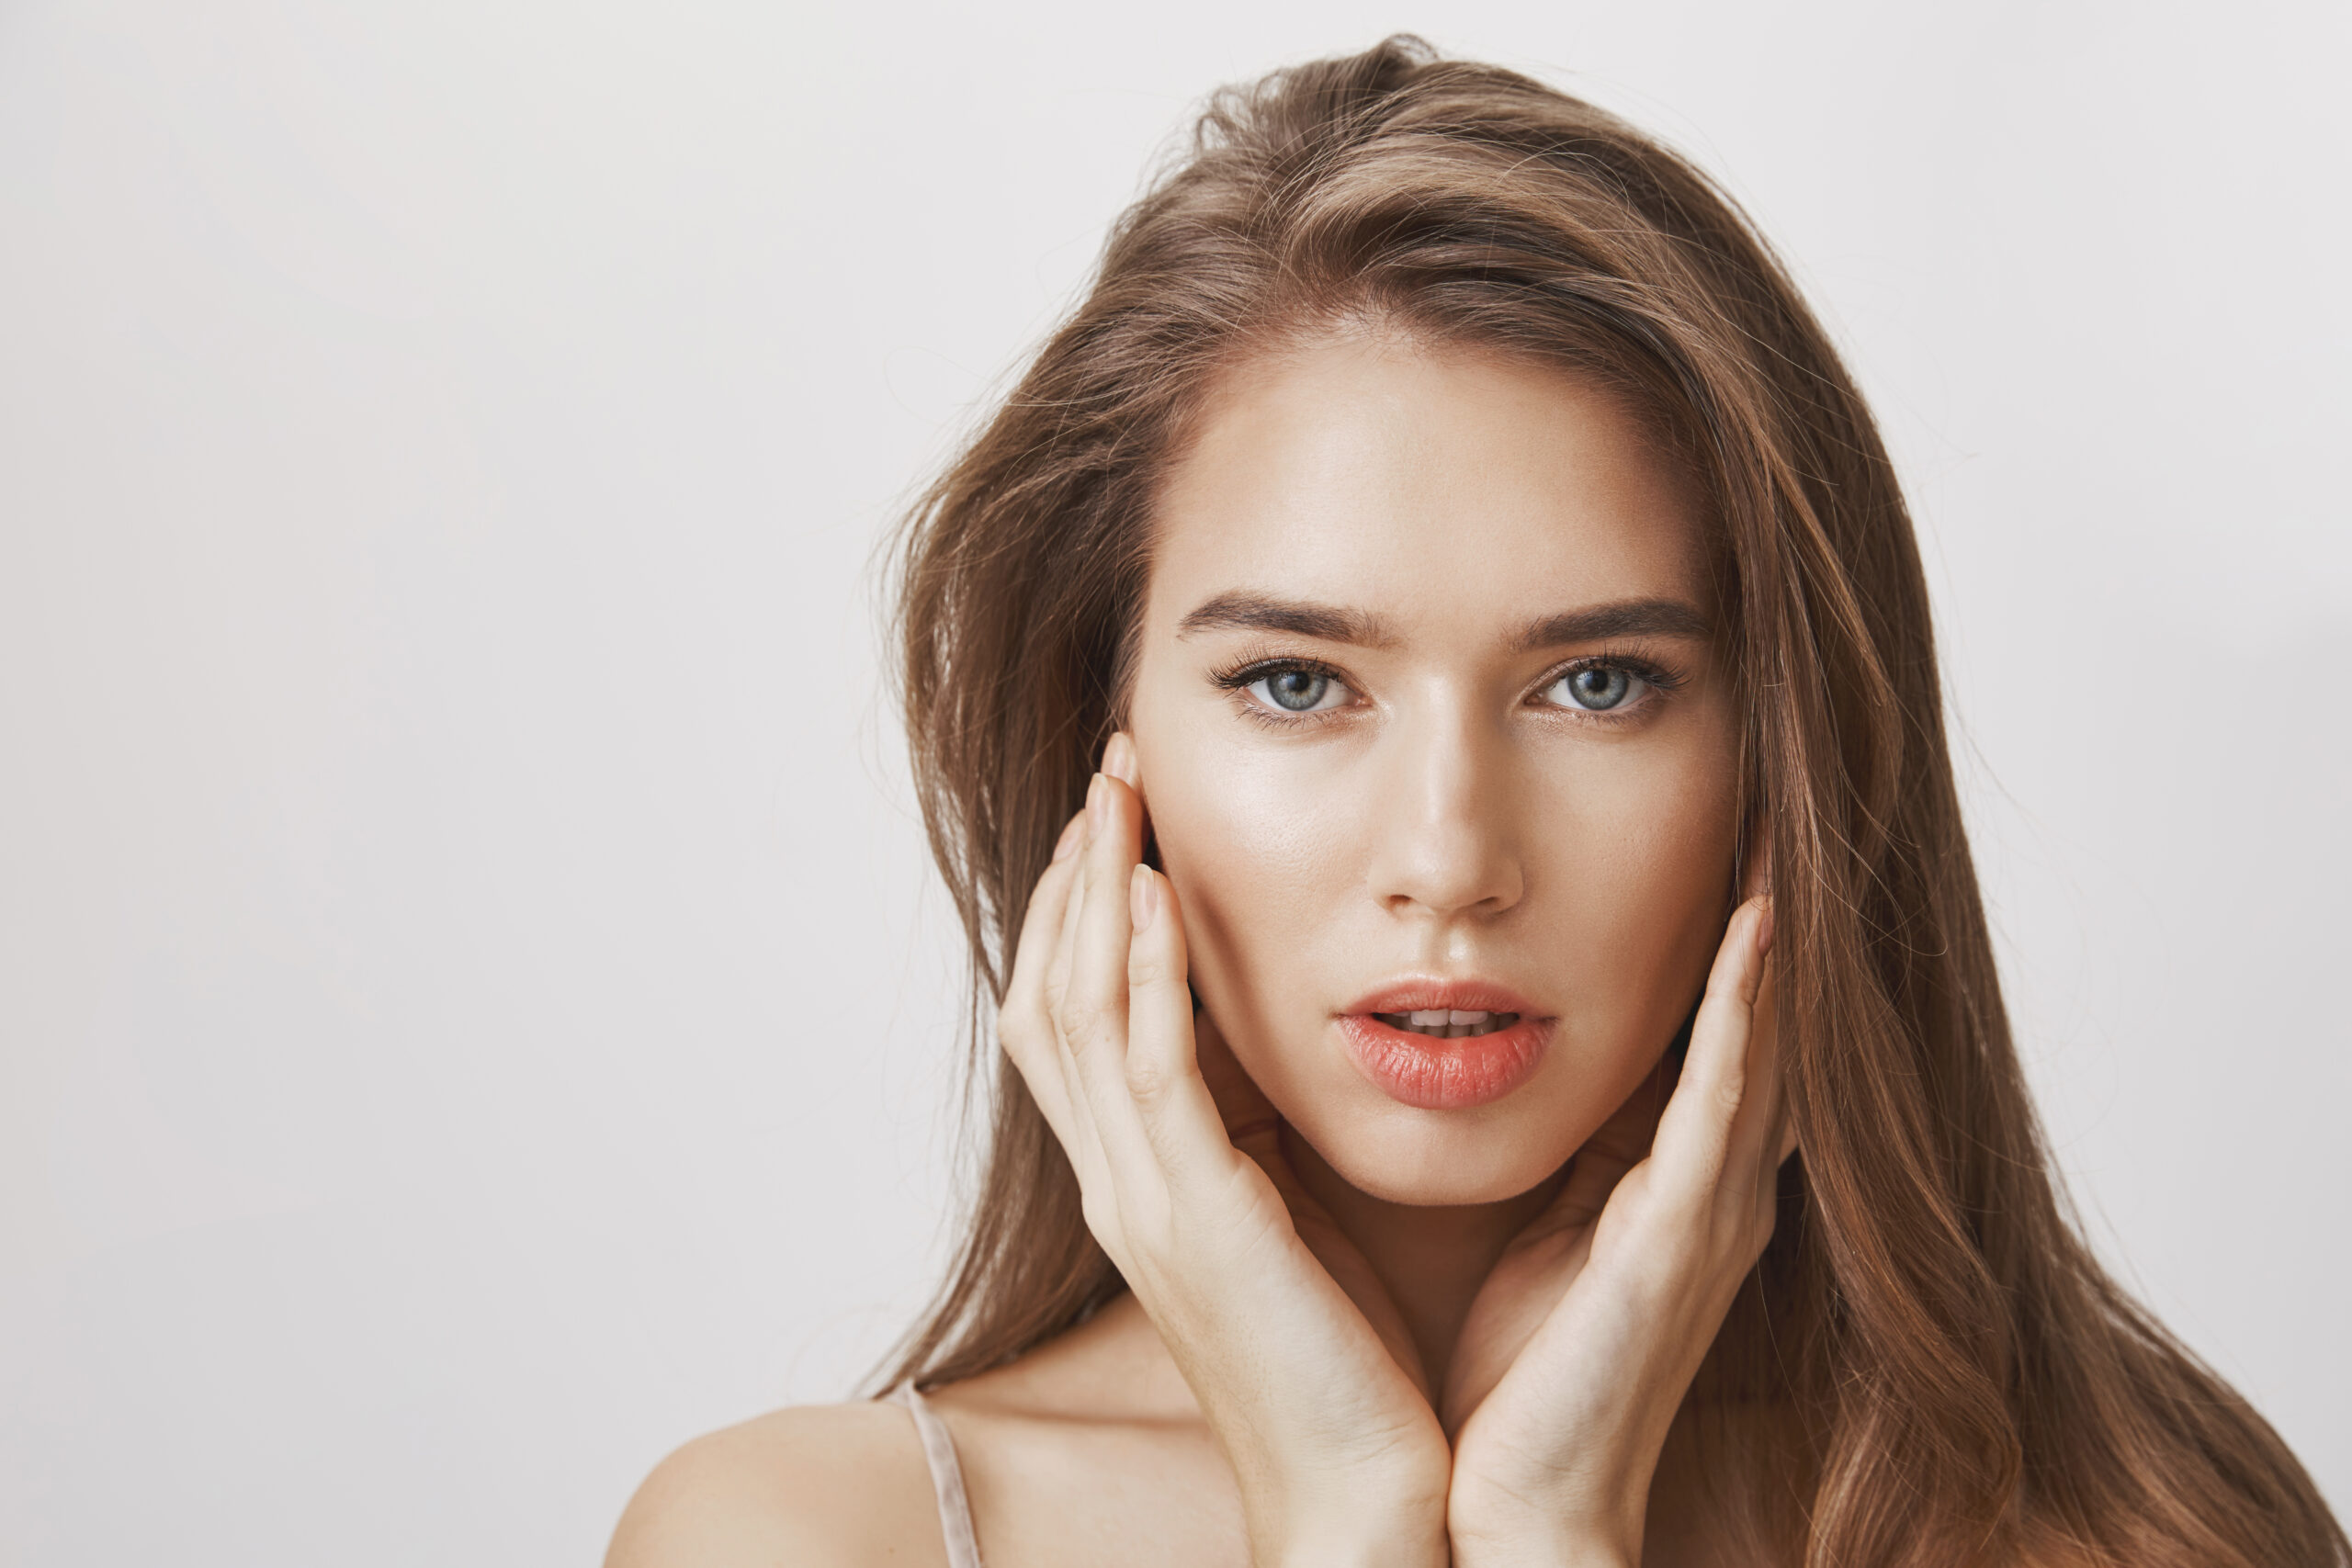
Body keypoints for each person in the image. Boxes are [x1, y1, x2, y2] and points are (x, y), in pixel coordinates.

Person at [605, 38, 2346, 1568]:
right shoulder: (804, 1544)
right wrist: (1344, 1518)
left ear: (1787, 762)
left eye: (1599, 685)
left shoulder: (2127, 1537)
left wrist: (1554, 1537)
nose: (1449, 861)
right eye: (1296, 683)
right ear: (1097, 740)